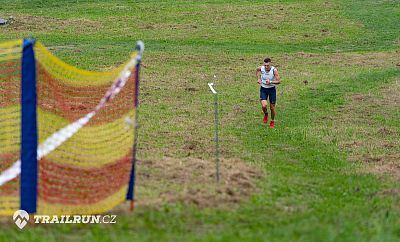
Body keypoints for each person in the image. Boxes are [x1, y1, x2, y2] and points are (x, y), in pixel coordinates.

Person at [256, 58, 281, 128]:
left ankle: (272, 121)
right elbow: (257, 70)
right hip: (263, 89)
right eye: (265, 65)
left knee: (272, 108)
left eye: (267, 65)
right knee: (264, 105)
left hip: (272, 90)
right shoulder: (261, 68)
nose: (266, 67)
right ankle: (266, 114)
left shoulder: (274, 70)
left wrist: (271, 82)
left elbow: (279, 81)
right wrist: (258, 78)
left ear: (270, 64)